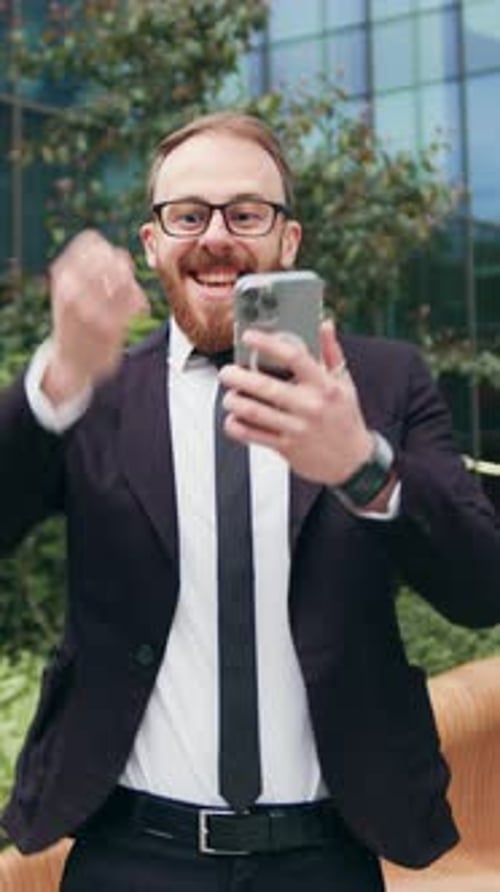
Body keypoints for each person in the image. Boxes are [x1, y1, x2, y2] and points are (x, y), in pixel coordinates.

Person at [1, 111, 500, 892]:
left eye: (247, 213)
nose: (216, 236)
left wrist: (366, 466)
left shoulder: (383, 382)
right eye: (188, 215)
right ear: (152, 243)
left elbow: (482, 588)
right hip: (128, 854)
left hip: (326, 858)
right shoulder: (92, 394)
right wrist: (56, 379)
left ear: (288, 240)